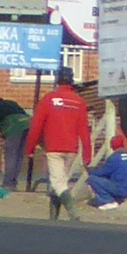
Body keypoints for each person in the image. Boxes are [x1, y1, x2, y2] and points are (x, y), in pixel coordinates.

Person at [33, 77, 93, 220]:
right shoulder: (79, 102)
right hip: (71, 149)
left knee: (57, 182)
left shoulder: (48, 99)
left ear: (57, 82)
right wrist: (87, 153)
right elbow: (84, 130)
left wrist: (30, 147)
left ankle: (73, 212)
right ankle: (53, 216)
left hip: (53, 148)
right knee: (60, 181)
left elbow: (36, 125)